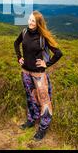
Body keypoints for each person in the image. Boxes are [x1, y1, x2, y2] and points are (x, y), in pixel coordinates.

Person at [14, 10, 63, 141]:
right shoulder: (24, 33)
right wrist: (19, 57)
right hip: (25, 72)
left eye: (33, 21)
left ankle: (43, 127)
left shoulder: (43, 37)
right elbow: (16, 43)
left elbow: (58, 53)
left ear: (38, 23)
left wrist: (46, 63)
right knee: (30, 98)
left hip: (38, 74)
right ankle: (31, 120)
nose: (30, 22)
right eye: (29, 19)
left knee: (44, 101)